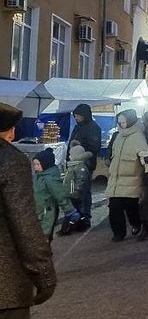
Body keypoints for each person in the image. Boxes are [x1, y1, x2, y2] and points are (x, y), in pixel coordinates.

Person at [0, 103, 57, 315]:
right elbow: (23, 222)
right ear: (9, 131)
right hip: (5, 287)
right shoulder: (10, 160)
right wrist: (44, 274)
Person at [105, 109, 147, 242]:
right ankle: (118, 233)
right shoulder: (118, 136)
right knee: (114, 208)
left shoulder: (139, 136)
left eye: (123, 121)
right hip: (116, 179)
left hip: (132, 178)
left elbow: (145, 155)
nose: (121, 124)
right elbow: (113, 153)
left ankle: (136, 223)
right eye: (120, 122)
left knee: (131, 207)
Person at [31, 149, 81, 241]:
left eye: (38, 165)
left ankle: (44, 251)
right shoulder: (38, 176)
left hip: (47, 213)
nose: (35, 167)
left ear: (46, 164)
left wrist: (70, 210)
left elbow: (60, 196)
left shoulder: (50, 179)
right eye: (34, 164)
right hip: (39, 211)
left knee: (43, 236)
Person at [66, 103, 100, 229]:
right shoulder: (78, 127)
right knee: (74, 191)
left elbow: (94, 147)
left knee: (84, 192)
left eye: (78, 116)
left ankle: (85, 218)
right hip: (73, 164)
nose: (76, 118)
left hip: (85, 165)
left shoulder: (93, 127)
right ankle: (76, 217)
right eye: (75, 116)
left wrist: (81, 154)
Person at [59, 141, 92, 236]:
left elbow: (81, 181)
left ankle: (66, 229)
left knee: (70, 212)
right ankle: (82, 225)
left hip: (74, 194)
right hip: (71, 192)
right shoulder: (73, 166)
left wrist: (76, 191)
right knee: (77, 211)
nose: (69, 156)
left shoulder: (79, 167)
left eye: (70, 154)